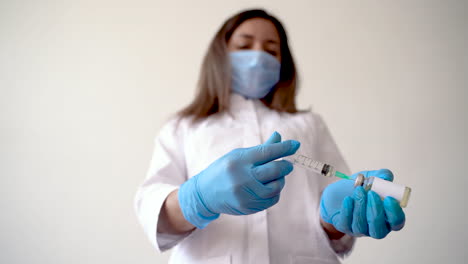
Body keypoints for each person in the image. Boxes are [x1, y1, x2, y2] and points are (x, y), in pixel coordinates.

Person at [134, 9, 406, 264]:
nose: (257, 56)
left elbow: (337, 222)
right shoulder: (185, 127)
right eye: (244, 46)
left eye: (271, 50)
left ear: (282, 63)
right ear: (220, 56)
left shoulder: (308, 124)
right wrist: (197, 198)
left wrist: (336, 219)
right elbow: (152, 210)